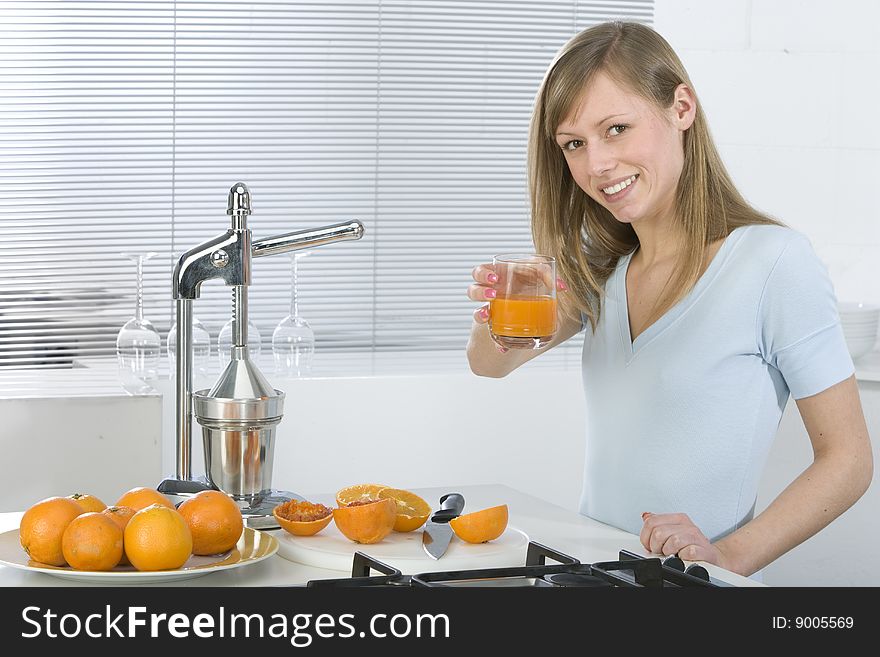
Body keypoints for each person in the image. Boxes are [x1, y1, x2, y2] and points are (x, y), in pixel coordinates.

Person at [466, 21, 873, 578]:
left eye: (616, 129)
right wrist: (496, 306)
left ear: (682, 108)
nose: (596, 165)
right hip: (585, 577)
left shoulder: (773, 263)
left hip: (686, 590)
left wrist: (727, 556)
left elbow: (848, 462)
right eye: (574, 144)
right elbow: (490, 364)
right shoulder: (601, 271)